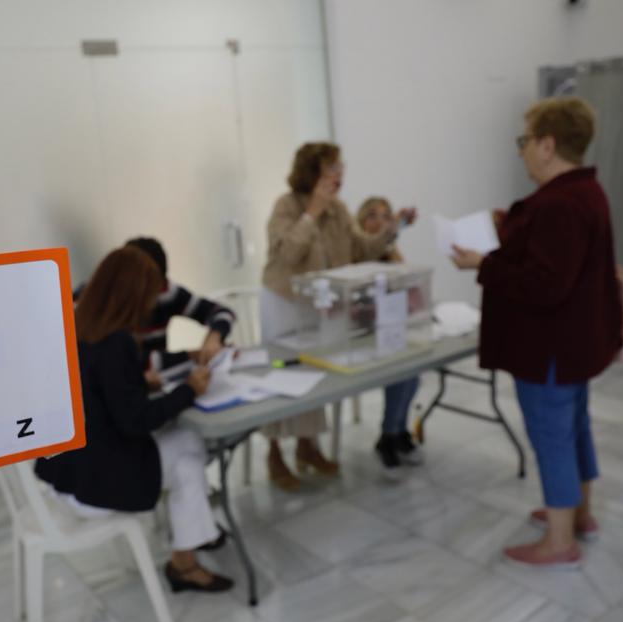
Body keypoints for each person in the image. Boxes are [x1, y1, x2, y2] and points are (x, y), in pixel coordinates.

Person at [451, 96, 623, 569]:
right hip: (576, 343)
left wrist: (482, 263)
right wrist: (512, 227)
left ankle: (558, 540)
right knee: (574, 429)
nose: (521, 150)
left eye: (524, 140)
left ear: (547, 145)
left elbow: (544, 284)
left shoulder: (558, 205)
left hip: (548, 347)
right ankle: (578, 512)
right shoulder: (584, 193)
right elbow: (553, 259)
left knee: (552, 437)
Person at [35, 247, 233, 592]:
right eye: (147, 297)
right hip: (94, 485)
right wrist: (189, 389)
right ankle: (187, 556)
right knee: (190, 448)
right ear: (133, 296)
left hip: (64, 472)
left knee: (186, 455)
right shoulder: (117, 343)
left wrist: (141, 383)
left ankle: (191, 549)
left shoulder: (77, 328)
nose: (151, 306)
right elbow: (136, 422)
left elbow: (99, 391)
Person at [260, 142, 398, 490]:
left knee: (315, 376)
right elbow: (289, 254)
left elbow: (361, 249)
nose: (339, 176)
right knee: (283, 379)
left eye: (340, 168)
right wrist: (312, 212)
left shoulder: (339, 210)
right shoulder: (287, 205)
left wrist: (389, 232)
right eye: (331, 169)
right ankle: (274, 454)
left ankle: (308, 447)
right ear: (312, 173)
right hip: (284, 302)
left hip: (320, 306)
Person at [75, 237, 236, 386]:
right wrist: (188, 357)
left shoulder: (166, 293)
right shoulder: (87, 308)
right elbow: (123, 364)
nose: (151, 302)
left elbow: (221, 312)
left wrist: (213, 338)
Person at [355, 197, 422, 478]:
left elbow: (413, 295)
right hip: (362, 337)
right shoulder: (357, 255)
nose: (380, 221)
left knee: (413, 372)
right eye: (372, 215)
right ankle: (388, 435)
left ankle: (398, 431)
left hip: (391, 332)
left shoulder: (392, 255)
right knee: (401, 371)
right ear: (360, 222)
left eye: (385, 216)